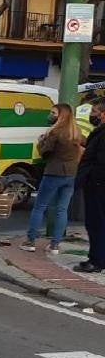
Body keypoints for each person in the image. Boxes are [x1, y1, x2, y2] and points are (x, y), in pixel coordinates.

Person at [21, 103, 83, 255]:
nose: (50, 115)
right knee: (62, 209)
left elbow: (45, 153)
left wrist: (40, 142)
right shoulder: (76, 132)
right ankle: (55, 244)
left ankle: (30, 241)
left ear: (61, 115)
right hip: (71, 174)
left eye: (53, 112)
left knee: (40, 207)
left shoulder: (55, 132)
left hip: (54, 173)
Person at [75, 99, 105, 272]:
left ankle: (96, 260)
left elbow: (100, 161)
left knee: (96, 223)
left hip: (98, 185)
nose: (91, 115)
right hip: (97, 183)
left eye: (94, 111)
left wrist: (91, 178)